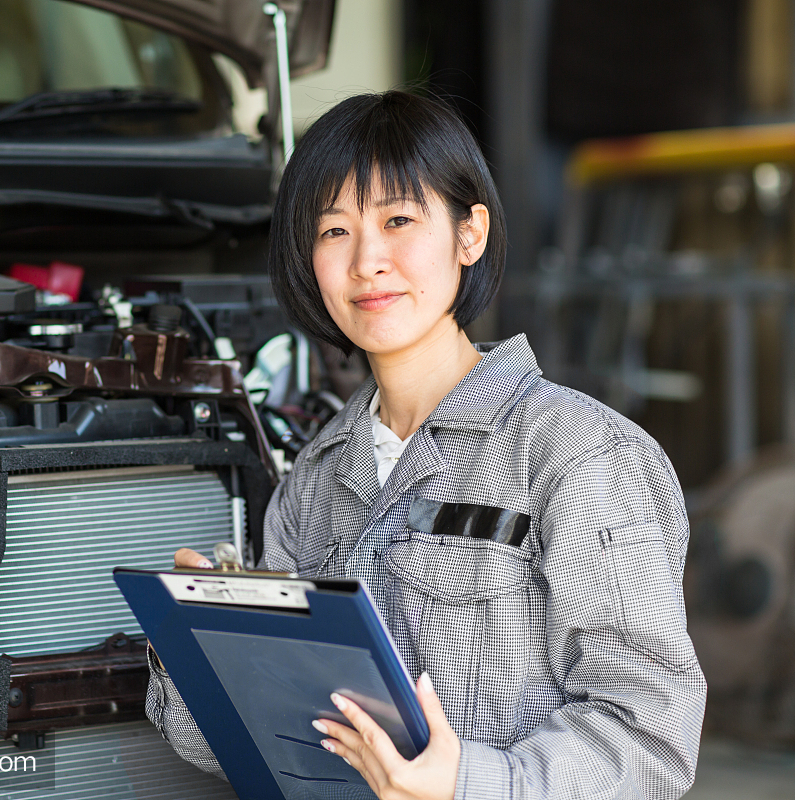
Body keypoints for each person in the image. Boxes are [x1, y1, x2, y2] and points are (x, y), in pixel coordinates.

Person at [145, 90, 706, 800]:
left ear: (469, 234)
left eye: (399, 219)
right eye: (333, 231)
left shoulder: (579, 456)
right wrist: (194, 640)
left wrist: (468, 782)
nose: (366, 261)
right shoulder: (314, 483)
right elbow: (240, 747)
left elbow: (650, 739)